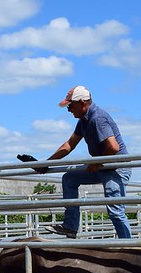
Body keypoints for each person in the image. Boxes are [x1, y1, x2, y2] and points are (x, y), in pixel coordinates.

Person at [43, 85, 132, 239]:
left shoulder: (97, 118)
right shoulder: (83, 121)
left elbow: (113, 147)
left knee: (115, 211)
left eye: (70, 105)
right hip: (102, 165)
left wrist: (97, 163)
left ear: (82, 103)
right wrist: (46, 163)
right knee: (70, 178)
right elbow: (69, 145)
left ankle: (130, 247)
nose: (69, 109)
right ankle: (70, 226)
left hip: (115, 167)